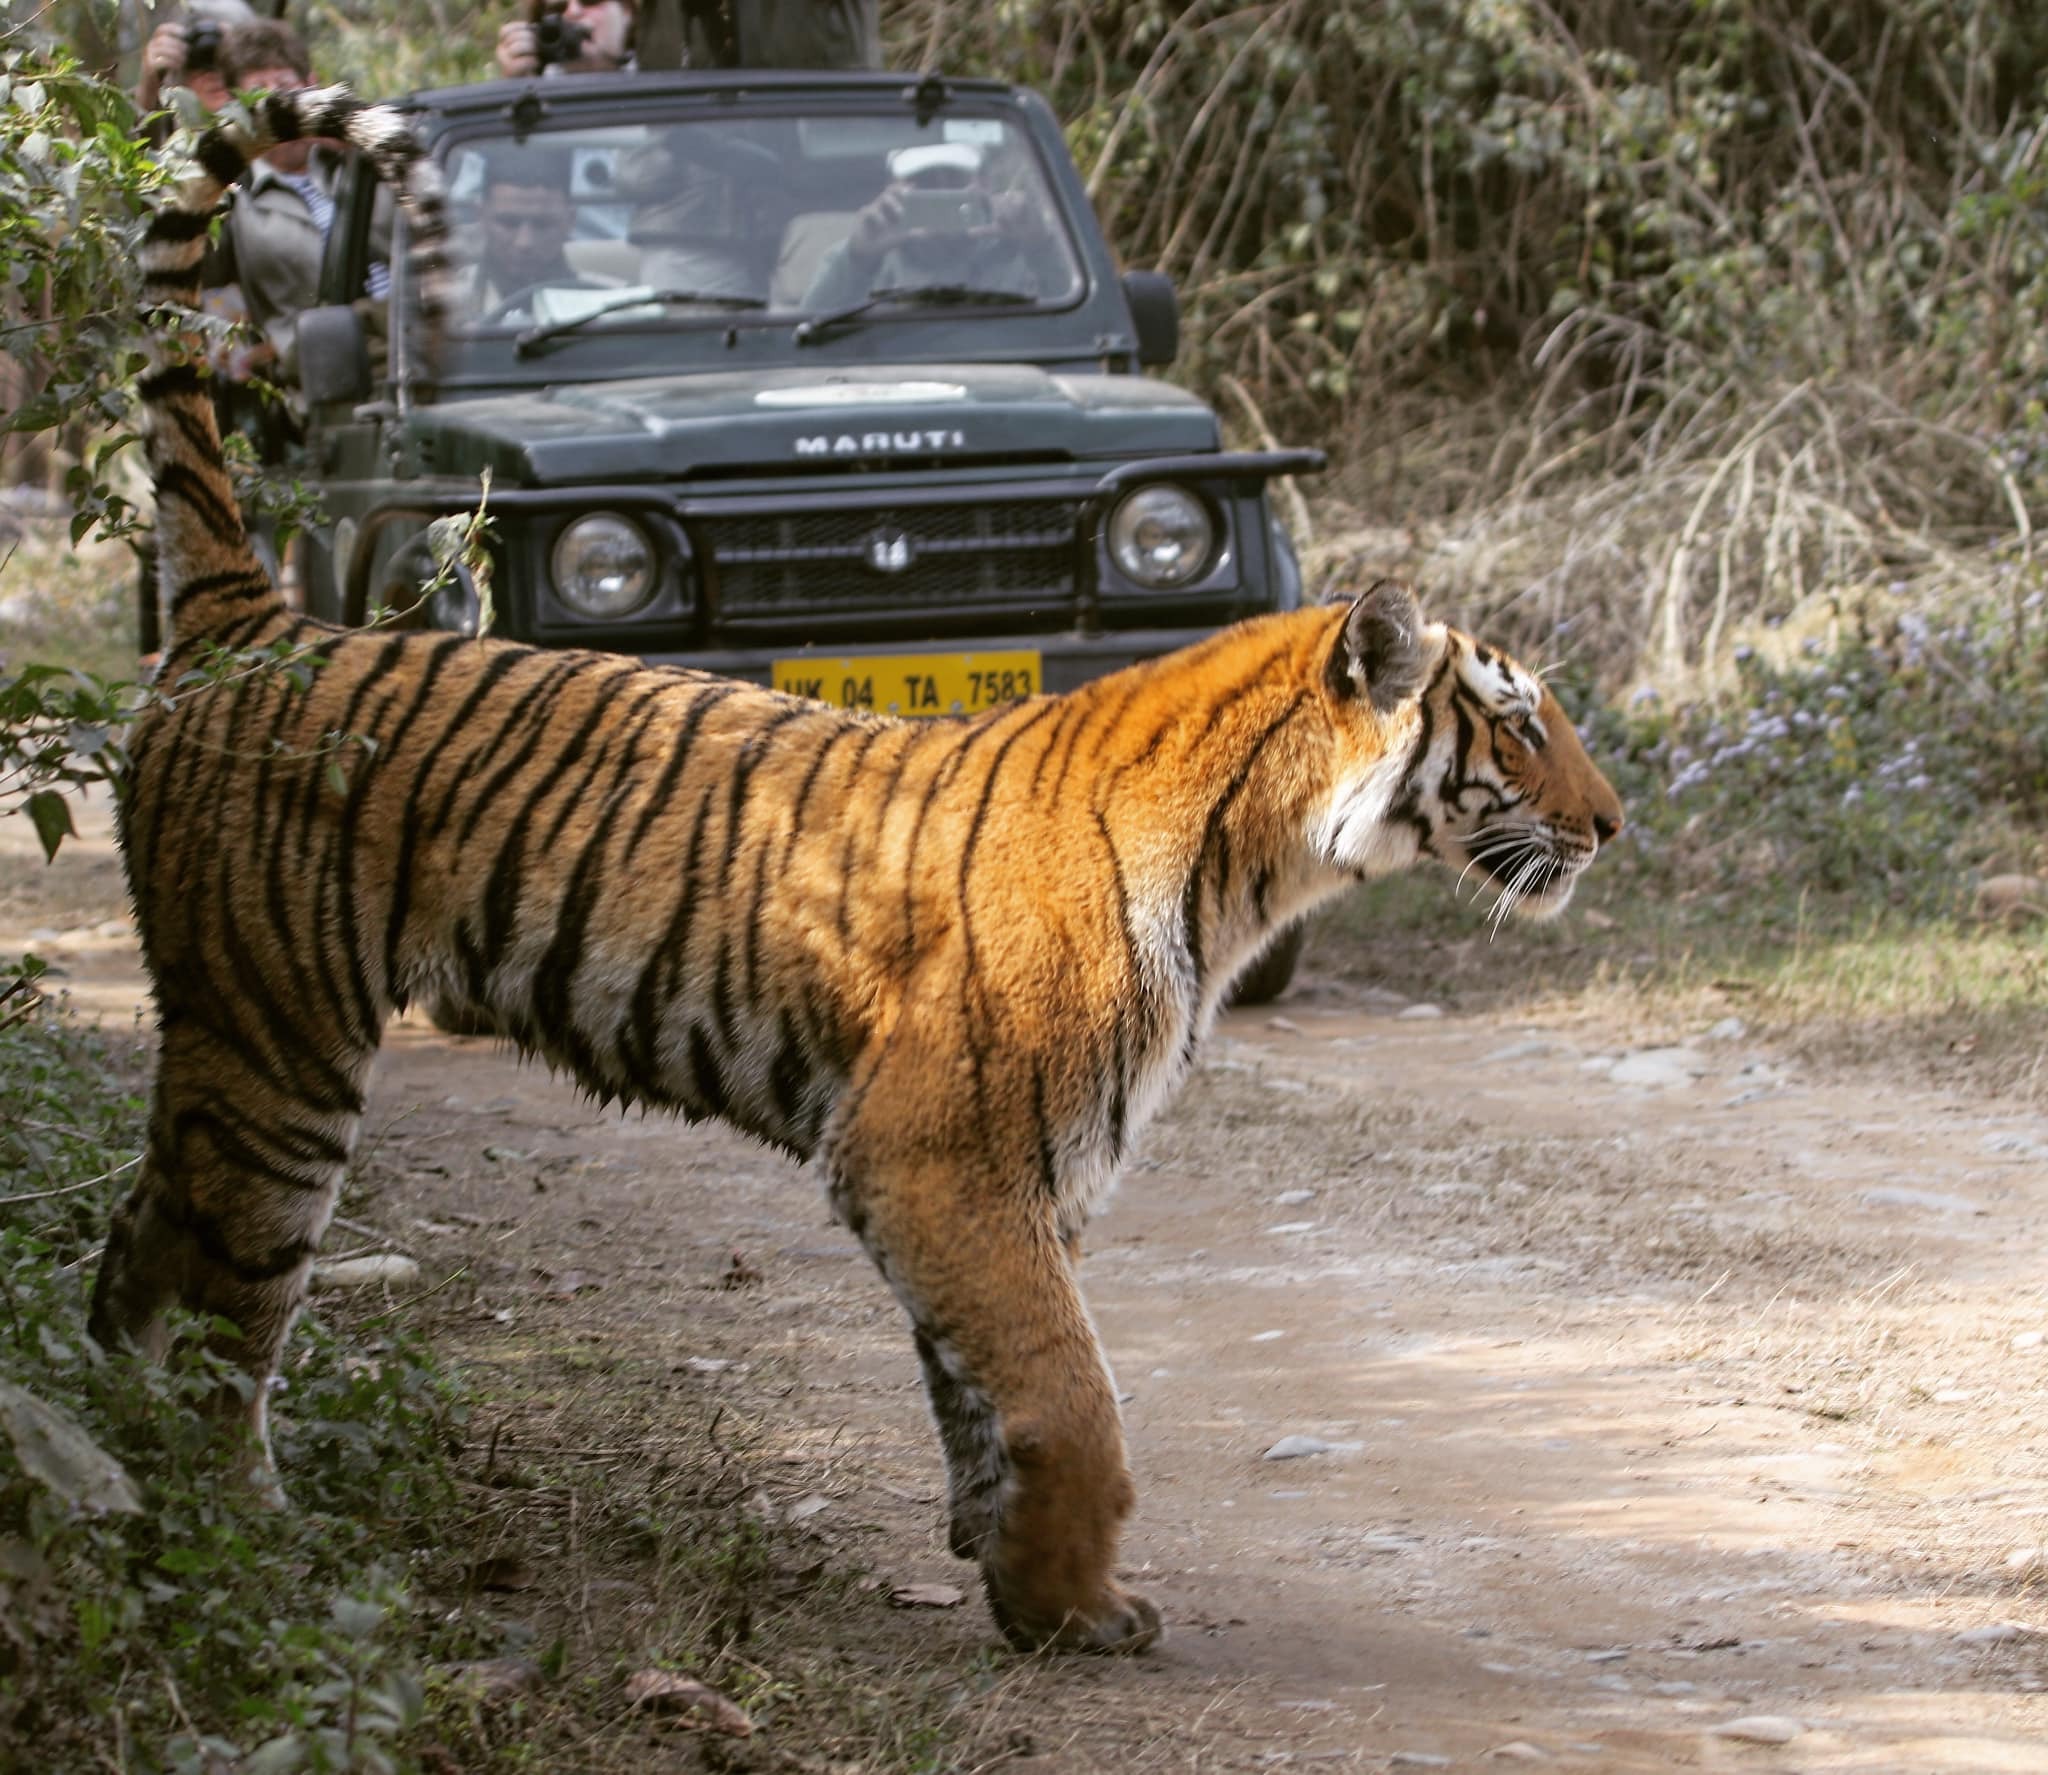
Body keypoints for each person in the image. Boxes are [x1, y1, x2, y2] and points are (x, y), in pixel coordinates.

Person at [799, 141, 1077, 314]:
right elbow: (808, 336)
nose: (942, 191)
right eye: (926, 182)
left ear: (983, 184)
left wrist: (1040, 247)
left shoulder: (1020, 249)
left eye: (953, 179)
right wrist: (858, 259)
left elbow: (1079, 329)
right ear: (892, 189)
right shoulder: (869, 256)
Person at [454, 149, 594, 316]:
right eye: (508, 223)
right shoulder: (445, 306)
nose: (524, 242)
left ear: (570, 221)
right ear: (481, 216)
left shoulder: (612, 300)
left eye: (543, 224)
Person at [134, 0, 256, 119]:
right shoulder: (169, 123)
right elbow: (142, 132)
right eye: (199, 56)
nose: (212, 74)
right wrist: (149, 93)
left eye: (226, 57)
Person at [495, 0, 638, 77]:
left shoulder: (657, 68)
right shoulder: (538, 84)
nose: (573, 12)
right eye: (558, 8)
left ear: (626, 12)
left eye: (590, 1)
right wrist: (517, 85)